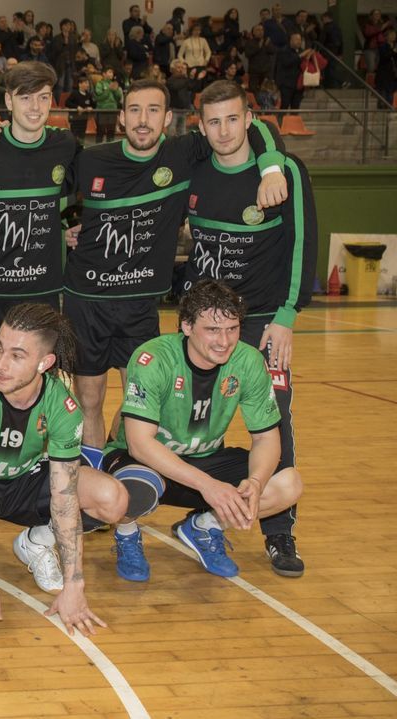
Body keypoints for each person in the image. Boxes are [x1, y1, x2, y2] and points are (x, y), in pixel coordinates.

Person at [60, 78, 287, 470]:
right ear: (120, 117)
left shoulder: (185, 153)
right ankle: (95, 479)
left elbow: (259, 126)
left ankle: (117, 460)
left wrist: (271, 169)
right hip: (87, 303)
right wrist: (63, 230)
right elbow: (40, 193)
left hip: (140, 307)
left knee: (145, 402)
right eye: (134, 110)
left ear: (168, 118)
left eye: (152, 111)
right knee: (90, 400)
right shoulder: (92, 159)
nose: (143, 120)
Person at [178, 80, 316, 576]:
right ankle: (172, 511)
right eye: (213, 121)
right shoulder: (194, 169)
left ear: (250, 118)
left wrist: (287, 317)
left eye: (233, 119)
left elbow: (303, 243)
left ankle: (279, 533)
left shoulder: (283, 173)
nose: (223, 130)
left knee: (275, 421)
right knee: (179, 413)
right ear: (201, 125)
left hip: (261, 322)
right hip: (198, 319)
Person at [0, 303, 124, 639]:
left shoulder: (63, 408)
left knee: (111, 498)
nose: (0, 363)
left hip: (23, 480)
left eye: (17, 355)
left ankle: (37, 542)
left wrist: (74, 586)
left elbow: (65, 497)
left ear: (44, 363)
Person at [103, 280, 304, 580]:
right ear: (186, 326)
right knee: (133, 491)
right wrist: (208, 486)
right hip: (147, 463)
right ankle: (127, 534)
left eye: (232, 329)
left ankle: (204, 526)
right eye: (212, 330)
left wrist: (256, 482)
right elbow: (139, 444)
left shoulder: (247, 361)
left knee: (288, 483)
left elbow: (266, 438)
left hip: (204, 461)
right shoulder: (153, 358)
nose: (224, 341)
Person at [0, 62, 77, 336]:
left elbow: (84, 186)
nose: (35, 107)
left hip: (41, 289)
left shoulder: (65, 145)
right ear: (8, 101)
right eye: (25, 97)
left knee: (37, 374)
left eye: (43, 97)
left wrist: (73, 222)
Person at [93, 67, 122, 142]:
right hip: (102, 111)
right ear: (104, 74)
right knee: (101, 131)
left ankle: (110, 147)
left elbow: (118, 98)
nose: (111, 74)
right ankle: (98, 147)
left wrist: (116, 91)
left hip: (113, 111)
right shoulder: (99, 84)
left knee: (111, 132)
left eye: (112, 72)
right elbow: (98, 97)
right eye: (109, 72)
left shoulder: (114, 84)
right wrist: (109, 89)